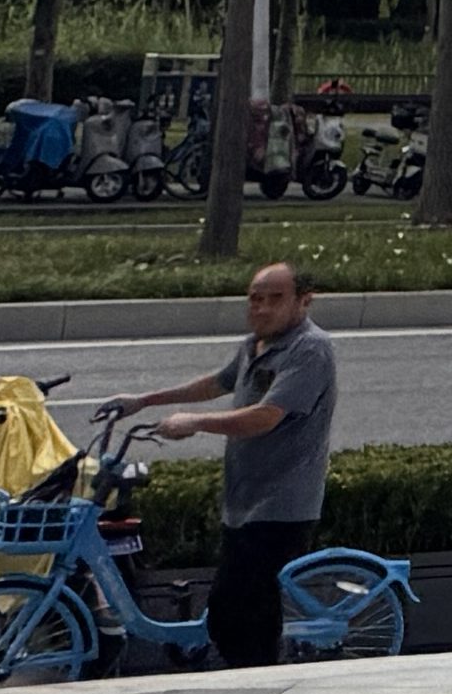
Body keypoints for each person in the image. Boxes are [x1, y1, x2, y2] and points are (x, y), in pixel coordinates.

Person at [115, 263, 337, 669]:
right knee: (234, 604)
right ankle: (245, 673)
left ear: (304, 301)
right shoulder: (256, 343)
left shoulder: (310, 349)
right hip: (244, 497)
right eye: (255, 298)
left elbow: (266, 416)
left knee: (241, 608)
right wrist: (144, 400)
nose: (262, 308)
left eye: (275, 299)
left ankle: (257, 684)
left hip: (282, 501)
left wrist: (195, 423)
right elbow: (217, 383)